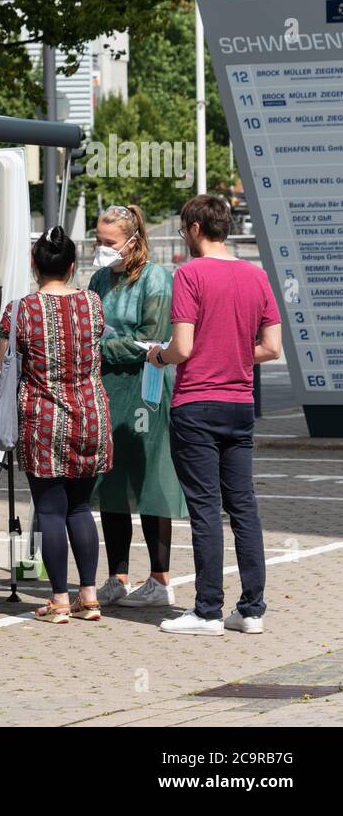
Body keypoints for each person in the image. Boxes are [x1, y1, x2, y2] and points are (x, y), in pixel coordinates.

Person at [147, 195, 281, 636]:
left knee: (205, 508)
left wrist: (159, 357)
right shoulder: (256, 275)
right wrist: (232, 355)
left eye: (185, 229)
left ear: (196, 229)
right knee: (243, 506)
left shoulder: (189, 274)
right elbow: (272, 347)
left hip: (197, 403)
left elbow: (182, 347)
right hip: (239, 403)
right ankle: (252, 609)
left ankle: (207, 610)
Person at [0, 226, 112, 624]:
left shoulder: (18, 311)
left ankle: (59, 601)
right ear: (72, 266)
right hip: (91, 417)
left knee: (50, 510)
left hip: (43, 419)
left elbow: (4, 364)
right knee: (80, 507)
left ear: (34, 265)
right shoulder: (93, 304)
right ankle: (90, 597)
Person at [87, 205, 186, 609]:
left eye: (109, 243)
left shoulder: (156, 279)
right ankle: (116, 576)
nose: (102, 250)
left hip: (147, 389)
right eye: (98, 241)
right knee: (111, 481)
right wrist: (101, 348)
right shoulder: (98, 278)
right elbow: (88, 322)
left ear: (132, 241)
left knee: (151, 480)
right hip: (108, 389)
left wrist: (103, 348)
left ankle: (160, 579)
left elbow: (152, 338)